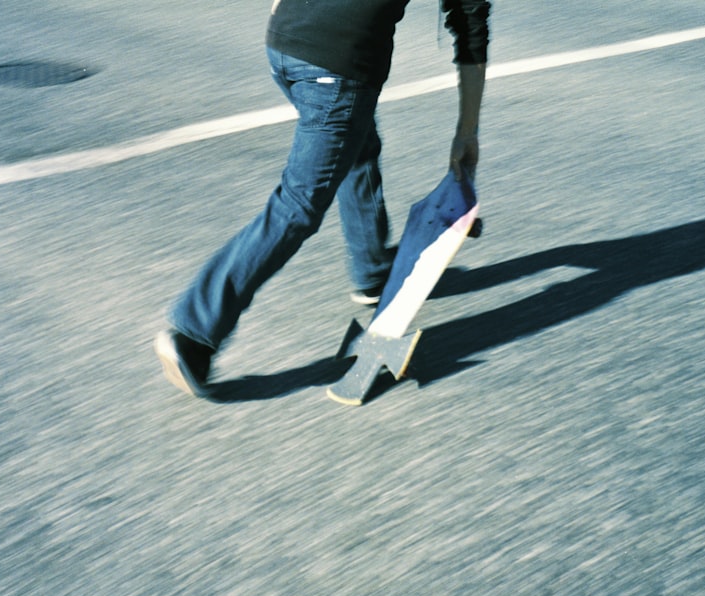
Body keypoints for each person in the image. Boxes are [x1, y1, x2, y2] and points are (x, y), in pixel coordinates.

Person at [155, 0, 491, 398]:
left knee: (357, 146)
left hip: (285, 42)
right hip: (336, 70)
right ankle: (196, 330)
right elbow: (469, 23)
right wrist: (466, 131)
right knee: (299, 205)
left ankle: (371, 271)